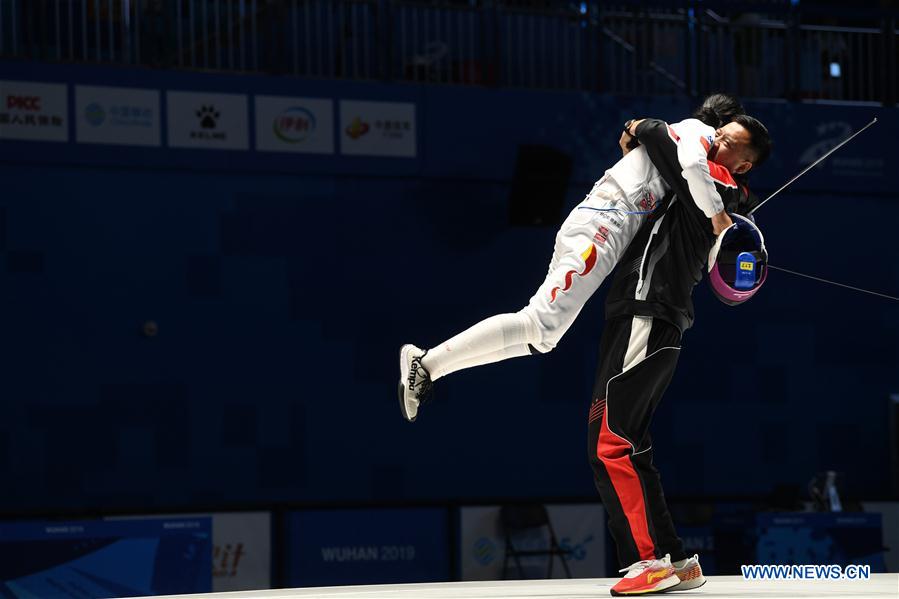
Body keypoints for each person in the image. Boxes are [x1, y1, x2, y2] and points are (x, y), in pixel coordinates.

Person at [398, 95, 745, 423]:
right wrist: (721, 213)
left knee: (542, 336)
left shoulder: (681, 139)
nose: (726, 149)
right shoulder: (695, 132)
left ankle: (430, 366)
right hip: (602, 228)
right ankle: (425, 363)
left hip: (597, 224)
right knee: (539, 323)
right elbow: (691, 165)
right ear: (722, 126)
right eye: (732, 138)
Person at [592, 113, 771, 596]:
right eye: (718, 131)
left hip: (646, 315)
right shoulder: (716, 192)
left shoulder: (714, 182)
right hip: (654, 320)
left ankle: (645, 562)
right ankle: (672, 558)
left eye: (728, 138)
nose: (716, 138)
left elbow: (659, 137)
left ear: (744, 162)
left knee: (610, 443)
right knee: (634, 444)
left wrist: (636, 123)